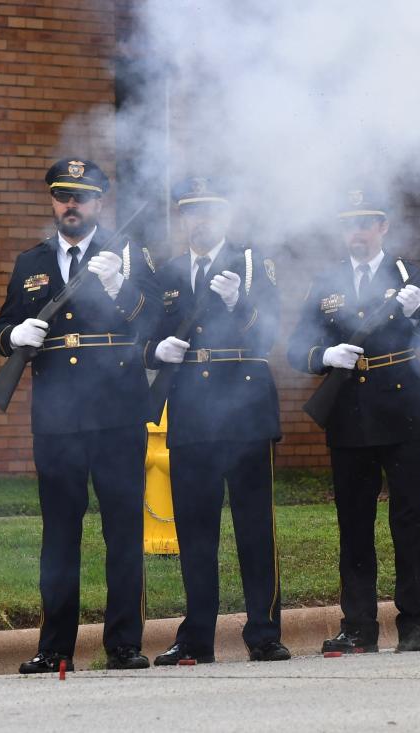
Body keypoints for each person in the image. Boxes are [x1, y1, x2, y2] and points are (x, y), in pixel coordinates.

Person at [0, 158, 160, 673]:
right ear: (53, 201)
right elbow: (3, 325)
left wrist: (117, 289)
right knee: (59, 535)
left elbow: (153, 320)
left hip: (116, 412)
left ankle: (125, 644)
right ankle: (54, 646)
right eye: (63, 195)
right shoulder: (32, 260)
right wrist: (12, 337)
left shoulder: (129, 255)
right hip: (58, 417)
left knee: (123, 532)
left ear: (99, 203)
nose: (71, 204)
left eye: (82, 196)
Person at [286, 189, 420, 653]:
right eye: (349, 224)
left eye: (365, 223)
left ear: (383, 228)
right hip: (350, 413)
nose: (356, 232)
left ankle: (416, 622)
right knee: (354, 524)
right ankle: (358, 625)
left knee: (409, 520)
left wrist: (419, 313)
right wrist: (324, 356)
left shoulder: (408, 276)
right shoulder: (327, 281)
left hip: (401, 410)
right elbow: (299, 347)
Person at [146, 178, 288, 664]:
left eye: (209, 211)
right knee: (196, 531)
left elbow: (270, 333)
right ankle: (195, 638)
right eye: (191, 212)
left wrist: (237, 305)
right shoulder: (167, 272)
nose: (200, 220)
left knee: (254, 529)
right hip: (191, 409)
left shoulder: (252, 264)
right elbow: (149, 332)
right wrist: (153, 350)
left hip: (245, 410)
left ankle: (265, 632)